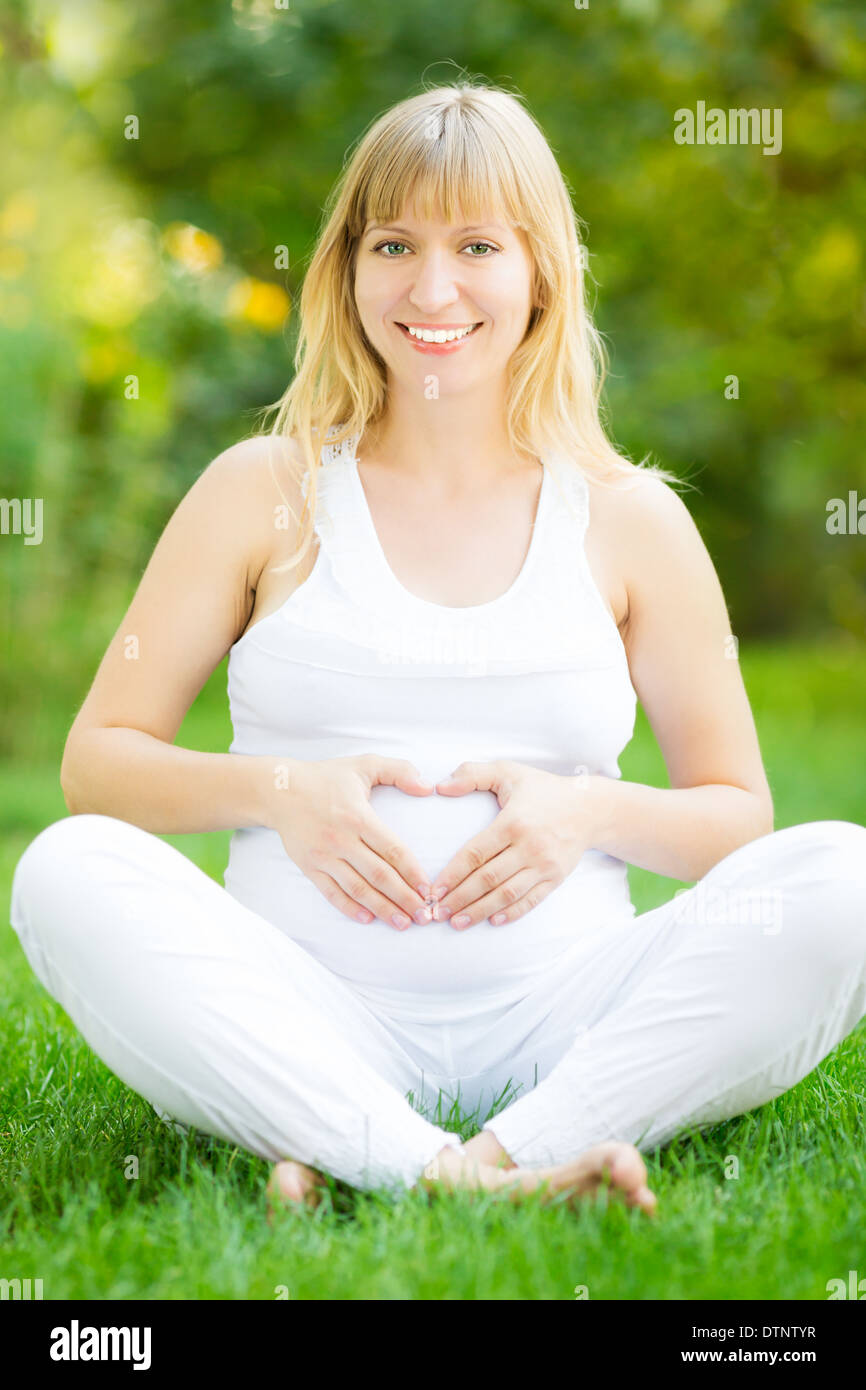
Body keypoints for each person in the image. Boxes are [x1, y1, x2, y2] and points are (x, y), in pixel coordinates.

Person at [10, 82, 866, 1219]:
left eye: (476, 245)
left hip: (568, 1017)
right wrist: (282, 794)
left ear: (540, 274)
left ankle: (458, 1150)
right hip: (309, 1007)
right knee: (63, 872)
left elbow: (735, 815)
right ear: (346, 268)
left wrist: (587, 814)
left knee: (843, 880)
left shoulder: (630, 517)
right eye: (393, 244)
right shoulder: (260, 492)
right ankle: (437, 1164)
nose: (432, 288)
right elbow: (97, 767)